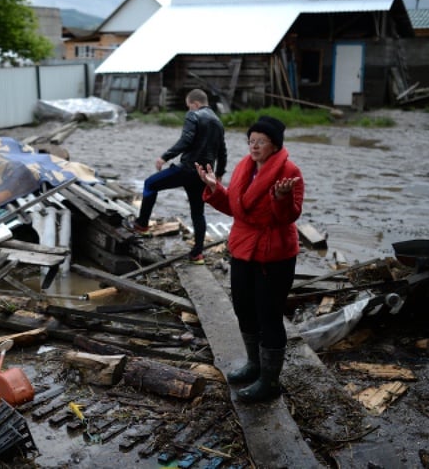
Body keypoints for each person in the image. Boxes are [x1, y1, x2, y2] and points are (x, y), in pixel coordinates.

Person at [195, 115, 303, 402]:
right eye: (251, 140)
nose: (254, 146)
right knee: (244, 308)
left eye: (261, 141)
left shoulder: (290, 171)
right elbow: (236, 208)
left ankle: (269, 382)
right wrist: (215, 189)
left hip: (274, 254)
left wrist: (281, 198)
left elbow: (290, 216)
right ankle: (254, 365)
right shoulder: (244, 166)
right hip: (243, 248)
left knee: (269, 315)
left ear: (275, 144)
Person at [124, 89, 227, 264]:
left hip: (186, 169)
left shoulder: (193, 115)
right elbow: (222, 152)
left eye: (189, 106)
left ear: (194, 104)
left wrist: (165, 156)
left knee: (150, 184)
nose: (188, 109)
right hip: (203, 175)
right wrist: (218, 174)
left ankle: (141, 225)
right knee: (198, 212)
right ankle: (197, 254)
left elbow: (185, 141)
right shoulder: (218, 122)